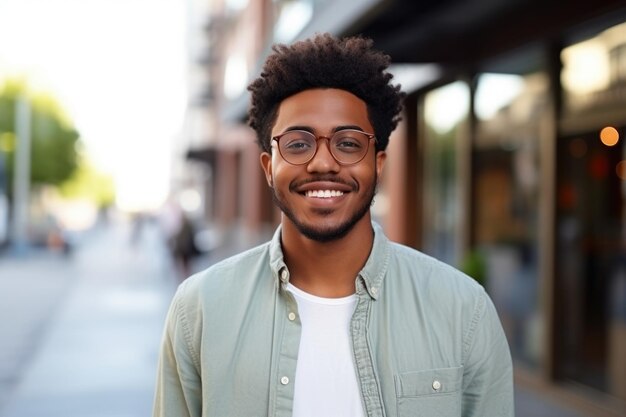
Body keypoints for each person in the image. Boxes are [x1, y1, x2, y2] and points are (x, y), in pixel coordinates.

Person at [153, 33, 514, 417]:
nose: (323, 163)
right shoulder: (200, 310)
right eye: (297, 143)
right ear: (267, 168)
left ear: (377, 164)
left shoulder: (462, 309)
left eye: (347, 143)